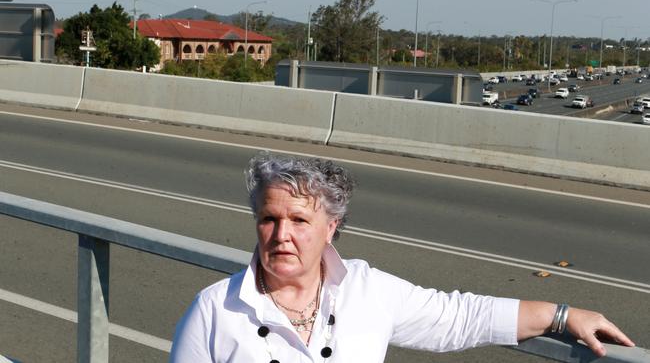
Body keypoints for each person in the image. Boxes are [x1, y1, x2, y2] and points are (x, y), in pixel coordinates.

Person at [169, 153, 634, 362]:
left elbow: (459, 317)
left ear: (331, 228)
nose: (281, 235)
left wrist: (562, 315)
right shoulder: (215, 310)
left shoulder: (368, 292)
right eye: (269, 219)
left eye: (299, 221)